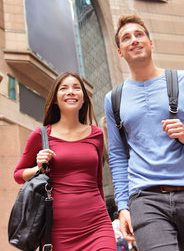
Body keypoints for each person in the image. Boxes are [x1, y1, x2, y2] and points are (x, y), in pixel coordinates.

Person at [105, 14, 184, 250]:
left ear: (150, 43)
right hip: (146, 199)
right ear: (120, 52)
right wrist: (122, 206)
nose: (134, 40)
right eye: (126, 38)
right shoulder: (114, 99)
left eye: (139, 34)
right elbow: (118, 156)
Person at [14, 72, 116, 250]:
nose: (71, 92)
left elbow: (98, 181)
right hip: (58, 230)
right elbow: (18, 175)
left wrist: (108, 219)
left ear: (83, 99)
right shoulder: (41, 135)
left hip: (97, 225)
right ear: (55, 99)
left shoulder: (96, 134)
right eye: (64, 88)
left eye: (76, 88)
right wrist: (38, 168)